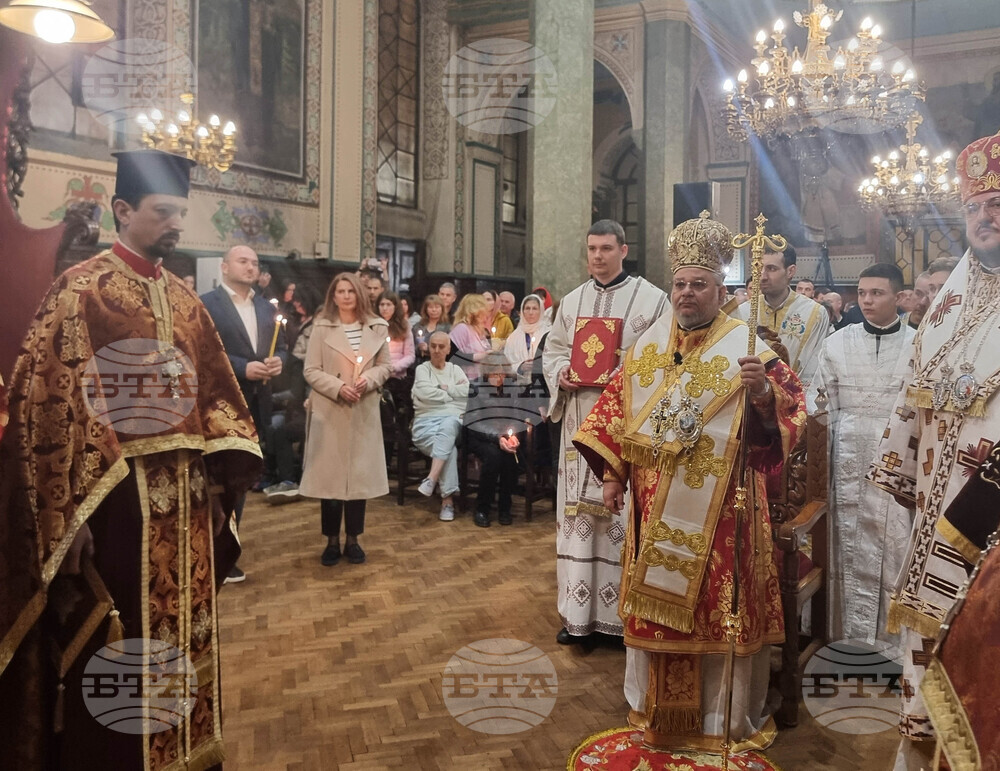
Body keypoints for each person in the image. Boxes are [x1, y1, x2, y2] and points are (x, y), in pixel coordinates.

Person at [0, 149, 261, 768]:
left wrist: (218, 482)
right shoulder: (79, 291)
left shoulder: (185, 299)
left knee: (188, 635)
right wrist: (68, 517)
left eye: (180, 212)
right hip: (116, 506)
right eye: (162, 211)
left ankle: (188, 753)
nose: (176, 224)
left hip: (187, 507)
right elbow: (46, 406)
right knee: (123, 642)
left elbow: (216, 397)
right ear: (123, 210)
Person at [573, 212, 806, 750]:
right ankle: (654, 710)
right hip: (652, 502)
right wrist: (612, 473)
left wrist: (762, 394)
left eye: (698, 284)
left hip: (725, 509)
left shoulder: (748, 347)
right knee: (657, 603)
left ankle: (720, 720)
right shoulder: (648, 346)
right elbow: (617, 410)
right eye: (680, 283)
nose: (686, 293)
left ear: (720, 290)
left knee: (714, 607)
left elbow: (793, 414)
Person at [866, 128, 1000, 771]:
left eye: (997, 204)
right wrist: (899, 470)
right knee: (930, 638)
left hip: (991, 522)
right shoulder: (950, 302)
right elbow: (913, 391)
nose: (985, 216)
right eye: (974, 206)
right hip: (935, 510)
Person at [542, 219, 668, 645]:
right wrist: (561, 373)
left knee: (620, 518)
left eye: (606, 248)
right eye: (592, 249)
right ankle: (578, 619)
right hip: (578, 426)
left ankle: (620, 620)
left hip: (625, 429)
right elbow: (554, 351)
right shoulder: (571, 301)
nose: (598, 256)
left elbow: (665, 356)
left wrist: (628, 371)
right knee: (578, 520)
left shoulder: (653, 300)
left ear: (623, 250)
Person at [814, 263, 915, 647]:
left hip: (897, 463)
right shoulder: (837, 342)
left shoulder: (918, 344)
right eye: (862, 293)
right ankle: (842, 640)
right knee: (844, 548)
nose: (867, 300)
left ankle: (890, 647)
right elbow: (819, 406)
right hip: (843, 460)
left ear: (898, 298)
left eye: (877, 293)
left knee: (894, 548)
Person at [201, 245, 288, 582]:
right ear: (224, 267)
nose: (251, 267)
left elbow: (280, 346)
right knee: (219, 480)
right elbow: (203, 351)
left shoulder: (266, 307)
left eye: (255, 262)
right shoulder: (207, 304)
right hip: (220, 404)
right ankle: (215, 552)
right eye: (243, 261)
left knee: (242, 478)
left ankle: (227, 549)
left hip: (257, 402)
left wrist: (278, 361)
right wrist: (242, 367)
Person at [299, 273, 392, 567]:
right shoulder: (322, 327)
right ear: (333, 296)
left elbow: (385, 366)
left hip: (363, 409)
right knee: (331, 481)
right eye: (340, 291)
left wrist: (369, 379)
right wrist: (338, 387)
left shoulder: (377, 326)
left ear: (359, 294)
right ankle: (331, 541)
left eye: (351, 291)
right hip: (331, 410)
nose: (346, 296)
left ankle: (353, 539)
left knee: (358, 479)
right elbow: (311, 370)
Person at [734, 244, 831, 405]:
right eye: (758, 267)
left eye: (771, 269)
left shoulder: (815, 314)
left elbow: (814, 369)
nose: (762, 276)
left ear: (790, 271)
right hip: (750, 403)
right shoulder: (743, 312)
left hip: (796, 403)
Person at [413, 331, 470, 522]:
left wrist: (444, 390)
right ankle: (446, 500)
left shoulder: (455, 369)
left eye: (441, 346)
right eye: (433, 346)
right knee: (449, 449)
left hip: (453, 423)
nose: (436, 350)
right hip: (425, 425)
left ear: (448, 349)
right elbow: (424, 394)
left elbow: (468, 391)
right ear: (428, 348)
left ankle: (432, 480)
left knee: (449, 423)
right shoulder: (422, 369)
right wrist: (452, 396)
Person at [504, 294, 549, 379]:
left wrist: (538, 364)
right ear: (522, 311)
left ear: (541, 311)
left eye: (534, 308)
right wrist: (520, 366)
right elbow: (507, 363)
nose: (531, 313)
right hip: (519, 382)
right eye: (527, 308)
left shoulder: (548, 333)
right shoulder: (513, 337)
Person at [449, 293, 492, 378]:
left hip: (480, 378)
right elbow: (454, 357)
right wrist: (482, 356)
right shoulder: (462, 328)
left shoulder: (480, 330)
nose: (486, 315)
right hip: (466, 379)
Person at [413, 293, 451, 361]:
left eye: (437, 307)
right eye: (430, 307)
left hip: (439, 363)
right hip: (419, 362)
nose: (434, 310)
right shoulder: (417, 327)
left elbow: (449, 350)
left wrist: (428, 349)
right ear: (426, 309)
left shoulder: (447, 328)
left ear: (442, 309)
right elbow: (410, 348)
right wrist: (419, 348)